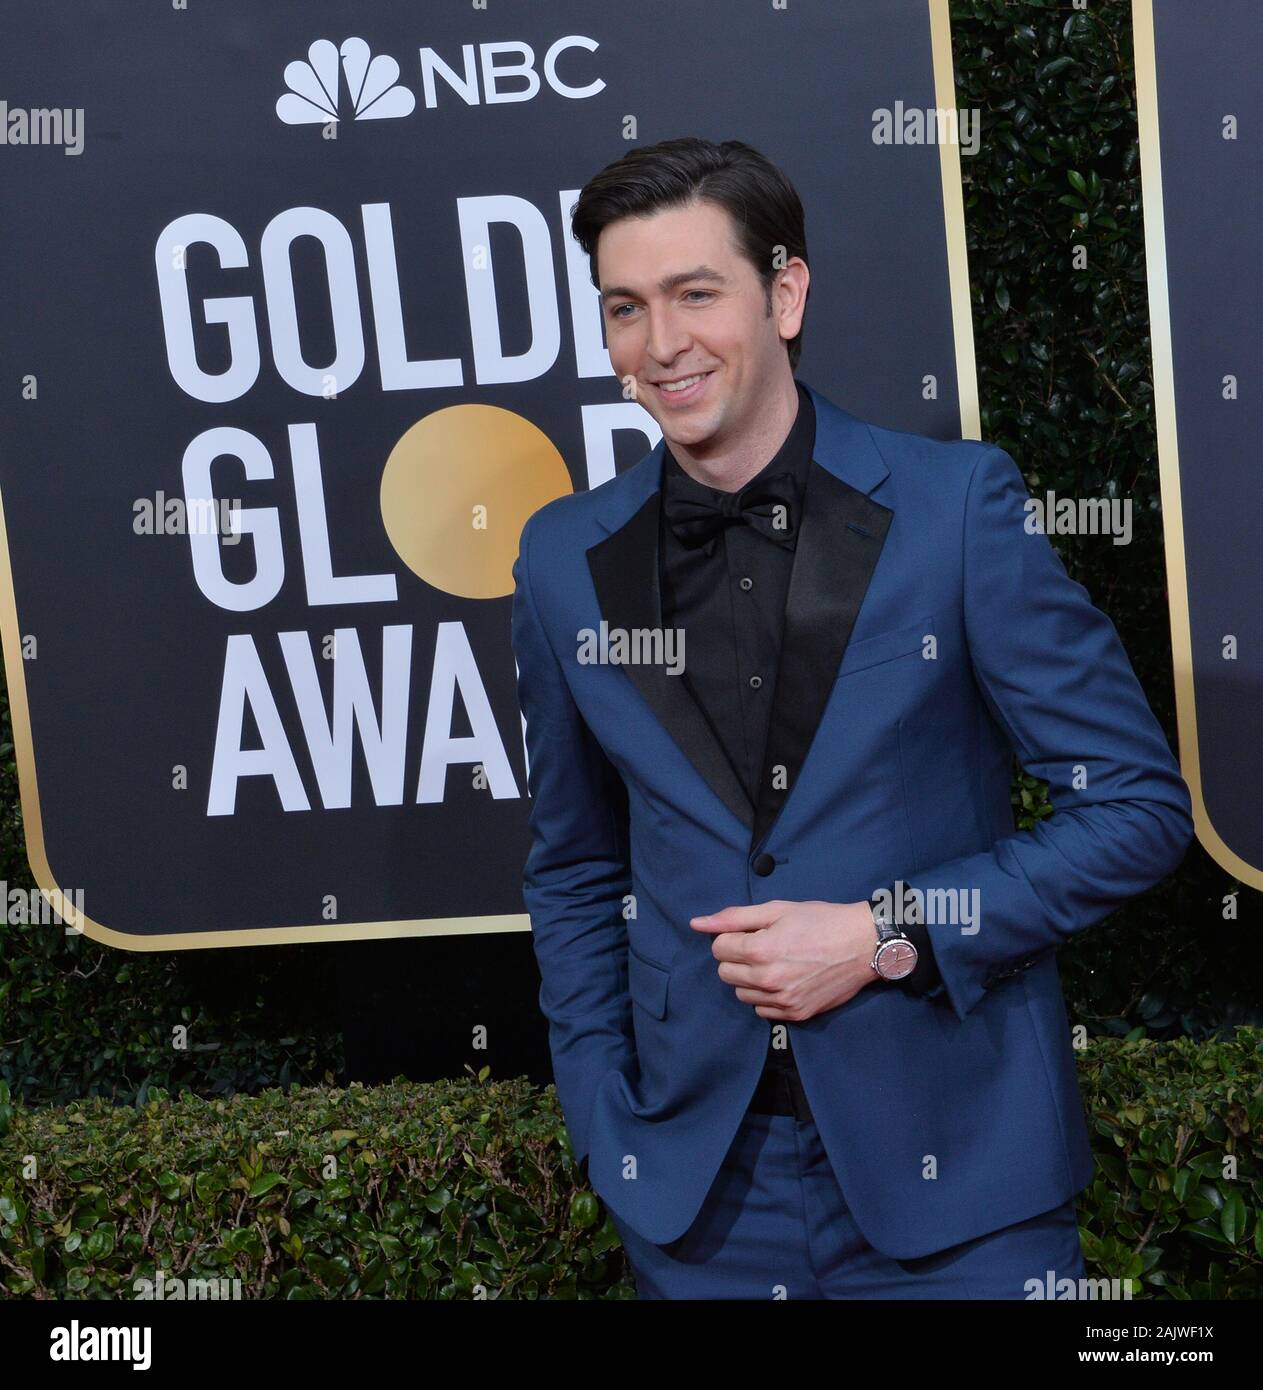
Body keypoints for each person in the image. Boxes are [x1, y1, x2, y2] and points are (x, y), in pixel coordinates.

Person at [510, 136, 1194, 1299]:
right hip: (698, 1201)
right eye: (625, 307)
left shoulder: (956, 509)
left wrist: (891, 930)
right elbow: (574, 865)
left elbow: (1135, 807)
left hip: (965, 1180)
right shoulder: (564, 559)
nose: (660, 344)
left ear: (784, 292)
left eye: (694, 294)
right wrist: (603, 1114)